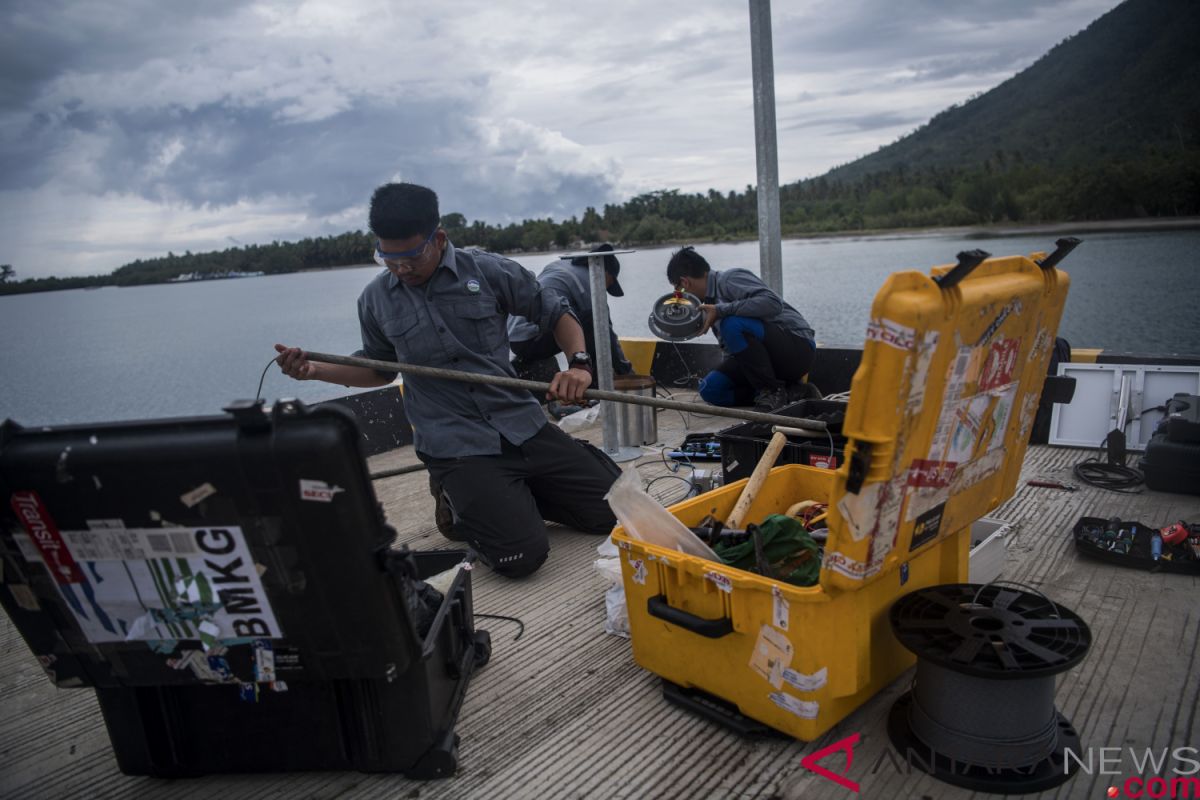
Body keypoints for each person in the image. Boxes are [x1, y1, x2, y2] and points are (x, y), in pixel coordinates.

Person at [275, 182, 620, 578]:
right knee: (521, 557)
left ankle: (510, 494)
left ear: (438, 238)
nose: (401, 268)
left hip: (520, 424)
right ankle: (460, 501)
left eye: (410, 256)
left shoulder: (489, 270)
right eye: (387, 258)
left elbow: (555, 312)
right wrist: (315, 371)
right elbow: (378, 369)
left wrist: (578, 364)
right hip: (456, 444)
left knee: (617, 511)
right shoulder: (375, 300)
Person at [666, 245, 817, 410]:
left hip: (798, 349)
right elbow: (738, 349)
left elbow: (773, 303)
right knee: (710, 389)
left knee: (731, 324)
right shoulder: (711, 303)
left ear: (684, 282)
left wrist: (722, 310)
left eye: (677, 289)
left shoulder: (730, 279)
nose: (678, 296)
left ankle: (771, 392)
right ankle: (793, 392)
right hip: (768, 362)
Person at [507, 243, 634, 384]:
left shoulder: (562, 266)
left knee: (582, 323)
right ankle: (595, 390)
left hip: (515, 338)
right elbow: (603, 327)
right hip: (530, 339)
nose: (604, 289)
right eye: (609, 284)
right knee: (593, 322)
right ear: (606, 272)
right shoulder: (590, 279)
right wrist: (626, 369)